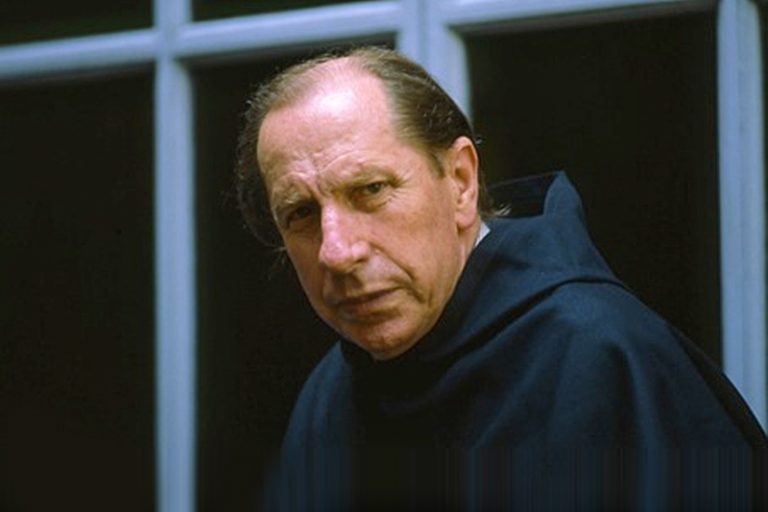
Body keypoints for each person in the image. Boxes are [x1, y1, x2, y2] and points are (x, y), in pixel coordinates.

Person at [235, 46, 766, 510]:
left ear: (461, 182)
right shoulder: (327, 395)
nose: (337, 252)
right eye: (300, 214)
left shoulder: (606, 358)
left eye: (371, 190)